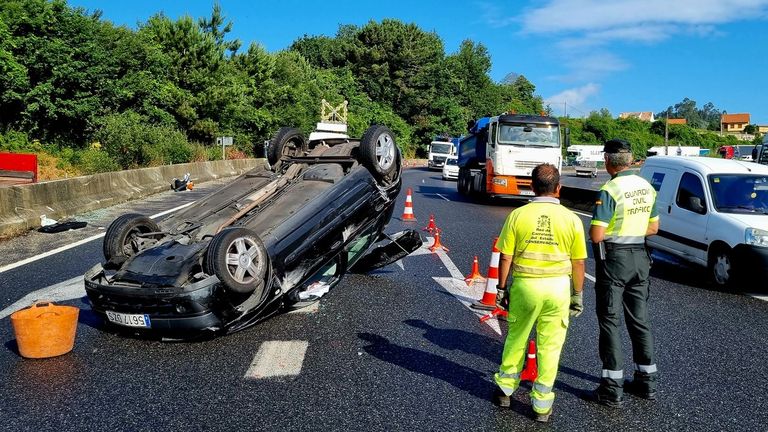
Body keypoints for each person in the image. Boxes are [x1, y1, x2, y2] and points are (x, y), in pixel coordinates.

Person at [493, 163, 587, 423]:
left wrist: (501, 288)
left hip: (525, 286)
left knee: (516, 338)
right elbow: (579, 262)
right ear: (559, 188)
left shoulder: (518, 215)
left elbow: (505, 256)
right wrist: (577, 294)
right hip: (558, 289)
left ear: (532, 186)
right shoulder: (572, 219)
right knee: (551, 346)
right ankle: (541, 405)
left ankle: (505, 391)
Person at [588, 138, 660, 408]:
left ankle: (611, 389)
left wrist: (613, 233)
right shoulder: (646, 187)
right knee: (640, 320)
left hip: (615, 259)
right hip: (640, 257)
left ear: (608, 161)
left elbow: (597, 234)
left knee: (610, 320)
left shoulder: (610, 189)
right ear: (630, 161)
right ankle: (646, 382)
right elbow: (653, 228)